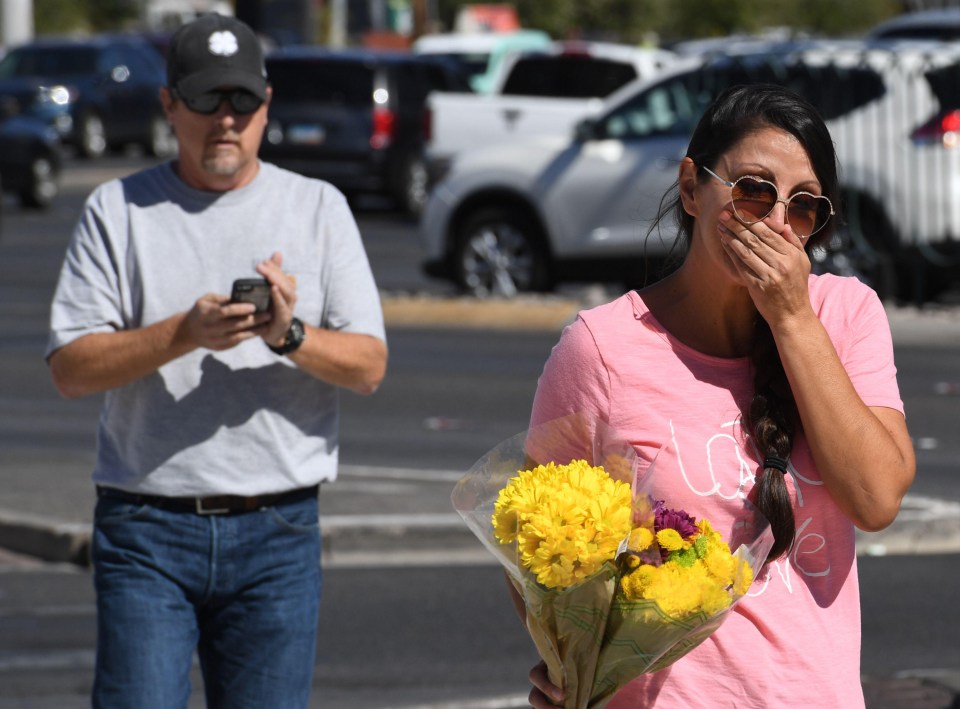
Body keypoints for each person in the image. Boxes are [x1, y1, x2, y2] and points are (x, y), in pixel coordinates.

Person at [522, 84, 915, 707]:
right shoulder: (601, 348)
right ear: (690, 188)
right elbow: (535, 547)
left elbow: (876, 497)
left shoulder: (845, 315)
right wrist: (568, 659)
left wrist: (792, 320)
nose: (778, 223)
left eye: (804, 206)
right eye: (754, 191)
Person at [45, 14, 387, 708]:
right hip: (146, 529)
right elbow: (70, 368)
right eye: (205, 100)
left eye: (241, 101)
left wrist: (289, 336)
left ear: (267, 101)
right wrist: (183, 332)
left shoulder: (319, 207)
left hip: (278, 531)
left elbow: (369, 364)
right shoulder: (118, 208)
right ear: (170, 104)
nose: (224, 120)